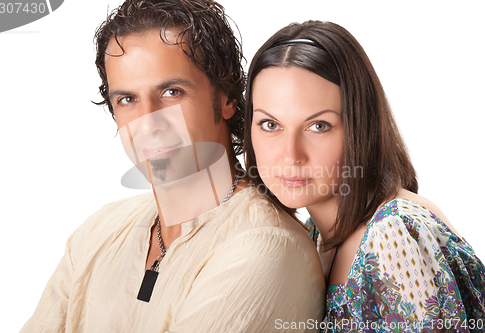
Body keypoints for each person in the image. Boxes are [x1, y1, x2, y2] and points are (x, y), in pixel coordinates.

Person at [20, 2, 326, 332]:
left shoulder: (266, 247)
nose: (148, 123)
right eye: (127, 99)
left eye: (170, 92)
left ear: (226, 97)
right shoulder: (97, 231)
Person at [244, 20, 485, 331]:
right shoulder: (315, 236)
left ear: (360, 126)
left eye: (318, 126)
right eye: (270, 124)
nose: (291, 155)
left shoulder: (393, 234)